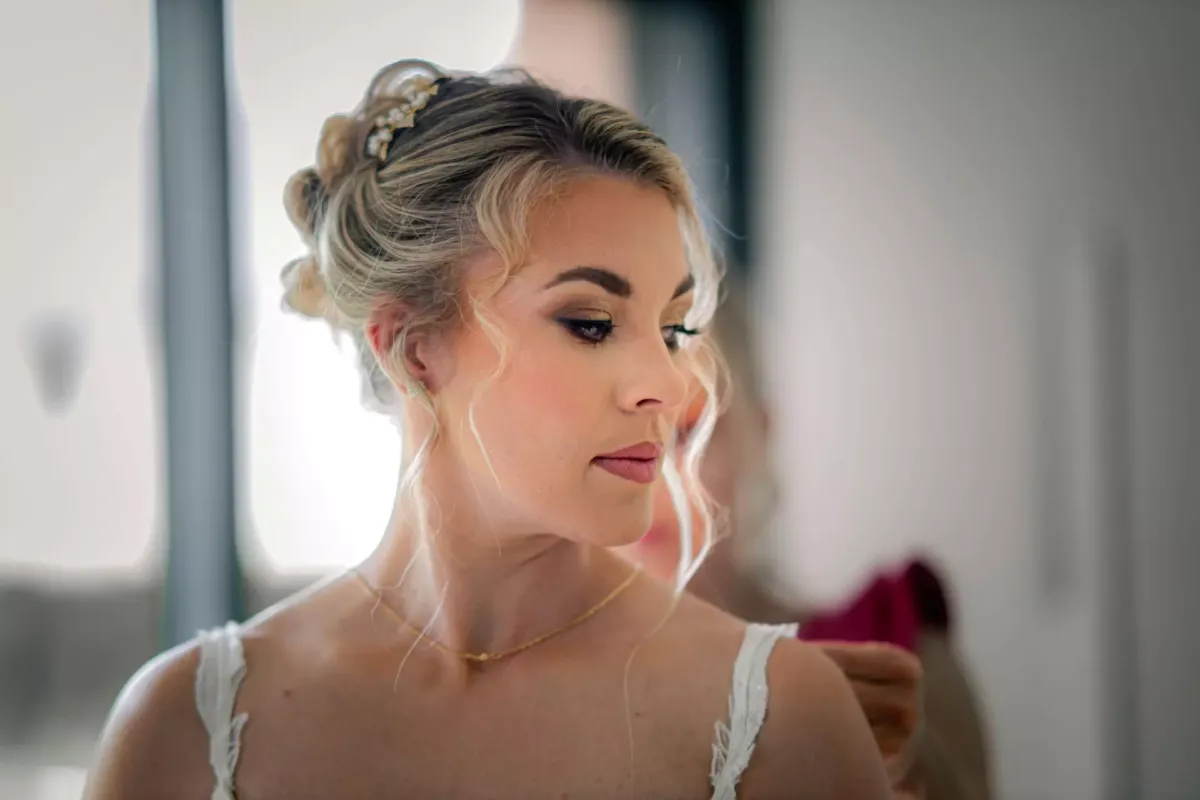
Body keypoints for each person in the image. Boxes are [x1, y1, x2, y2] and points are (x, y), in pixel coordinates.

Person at [84, 60, 891, 799]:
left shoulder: (778, 718)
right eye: (591, 323)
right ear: (414, 350)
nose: (671, 384)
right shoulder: (186, 729)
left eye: (672, 329)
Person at [620, 281, 992, 799]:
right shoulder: (519, 686)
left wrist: (903, 768)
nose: (649, 470)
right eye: (618, 434)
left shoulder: (892, 660)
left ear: (761, 432)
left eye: (689, 432)